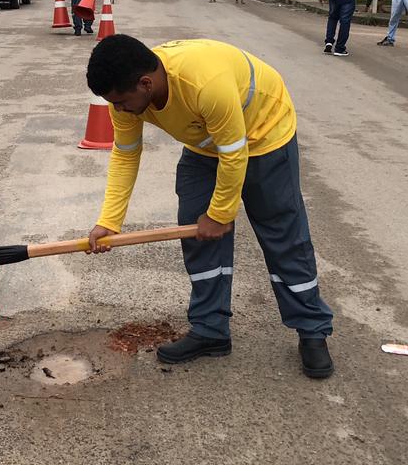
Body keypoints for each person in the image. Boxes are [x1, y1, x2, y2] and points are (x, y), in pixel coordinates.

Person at [84, 34, 335, 378]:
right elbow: (126, 156)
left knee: (282, 233)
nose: (121, 110)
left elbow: (234, 154)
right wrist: (109, 221)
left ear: (146, 83)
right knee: (196, 231)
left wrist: (220, 214)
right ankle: (210, 329)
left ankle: (312, 330)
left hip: (263, 132)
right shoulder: (123, 98)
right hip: (206, 145)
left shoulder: (204, 83)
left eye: (124, 102)